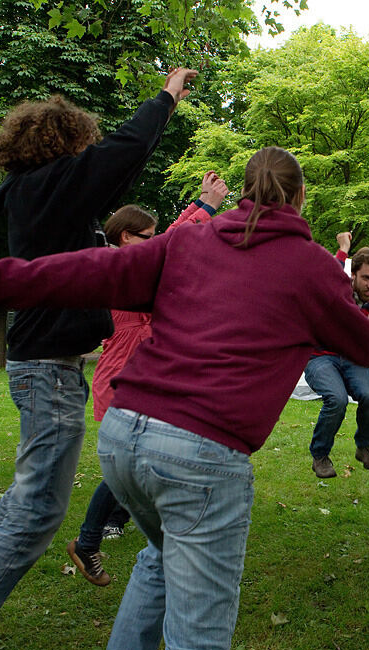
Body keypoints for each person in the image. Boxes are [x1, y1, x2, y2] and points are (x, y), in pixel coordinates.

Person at [0, 146, 369, 650]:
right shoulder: (310, 265)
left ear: (244, 190)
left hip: (125, 438)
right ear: (300, 195)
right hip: (199, 454)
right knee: (196, 646)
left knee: (161, 556)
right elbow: (368, 346)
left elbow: (90, 269)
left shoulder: (189, 241)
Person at [0, 68, 198, 650]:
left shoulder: (36, 196)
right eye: (82, 143)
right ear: (65, 143)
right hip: (47, 371)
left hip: (42, 366)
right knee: (35, 516)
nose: (88, 155)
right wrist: (164, 98)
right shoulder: (54, 187)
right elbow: (123, 154)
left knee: (23, 499)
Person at [68, 173, 230, 587]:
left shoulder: (131, 261)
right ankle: (89, 541)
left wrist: (200, 204)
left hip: (141, 376)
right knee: (125, 469)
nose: (155, 242)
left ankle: (124, 531)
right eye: (147, 236)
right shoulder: (119, 266)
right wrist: (206, 208)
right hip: (122, 378)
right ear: (125, 237)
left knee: (138, 465)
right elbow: (171, 243)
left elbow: (171, 241)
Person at [304, 231, 369, 479]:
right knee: (336, 400)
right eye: (366, 278)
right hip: (320, 356)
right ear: (353, 275)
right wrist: (344, 248)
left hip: (351, 357)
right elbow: (329, 276)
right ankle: (320, 455)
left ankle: (364, 445)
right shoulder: (337, 289)